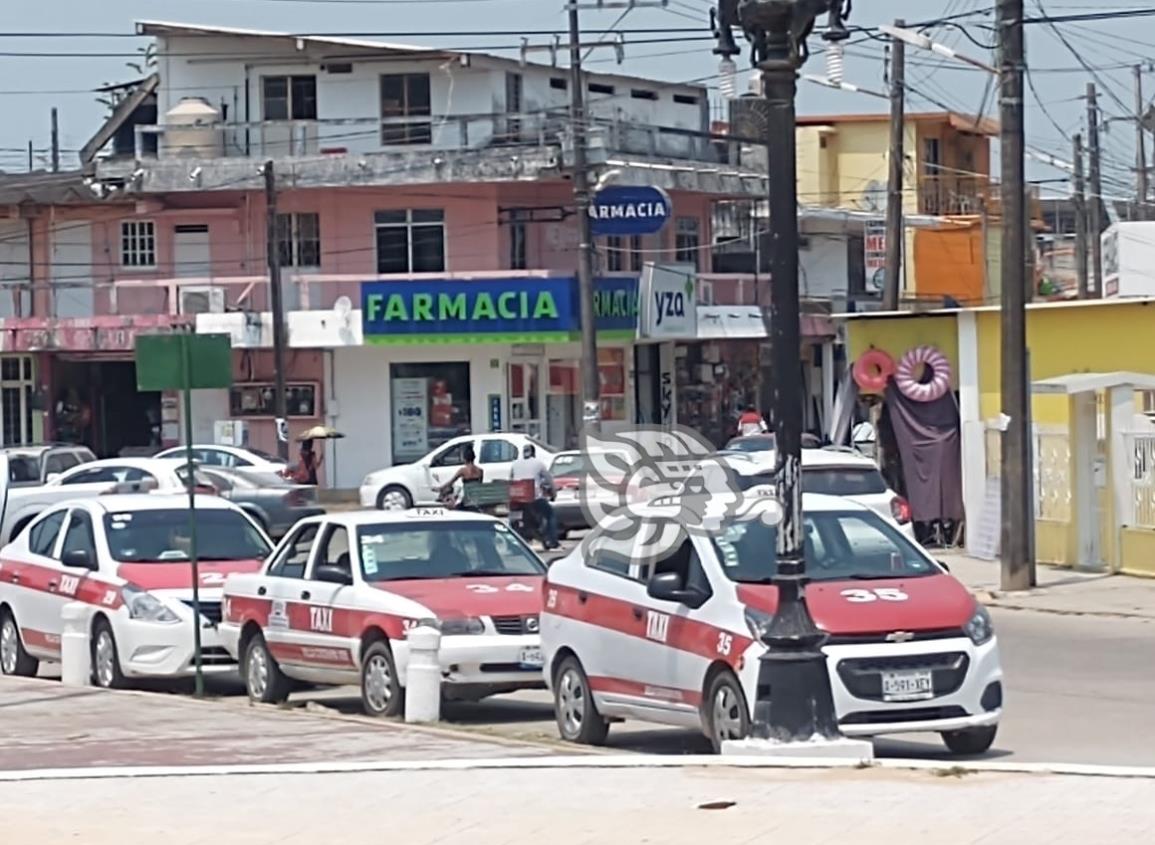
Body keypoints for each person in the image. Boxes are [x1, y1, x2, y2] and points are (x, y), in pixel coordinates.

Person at [511, 443, 559, 550]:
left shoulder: (515, 464)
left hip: (517, 498)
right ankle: (552, 541)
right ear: (534, 453)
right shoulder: (539, 464)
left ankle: (515, 542)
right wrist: (553, 493)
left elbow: (511, 479)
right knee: (550, 515)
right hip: (534, 497)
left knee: (514, 517)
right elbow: (549, 480)